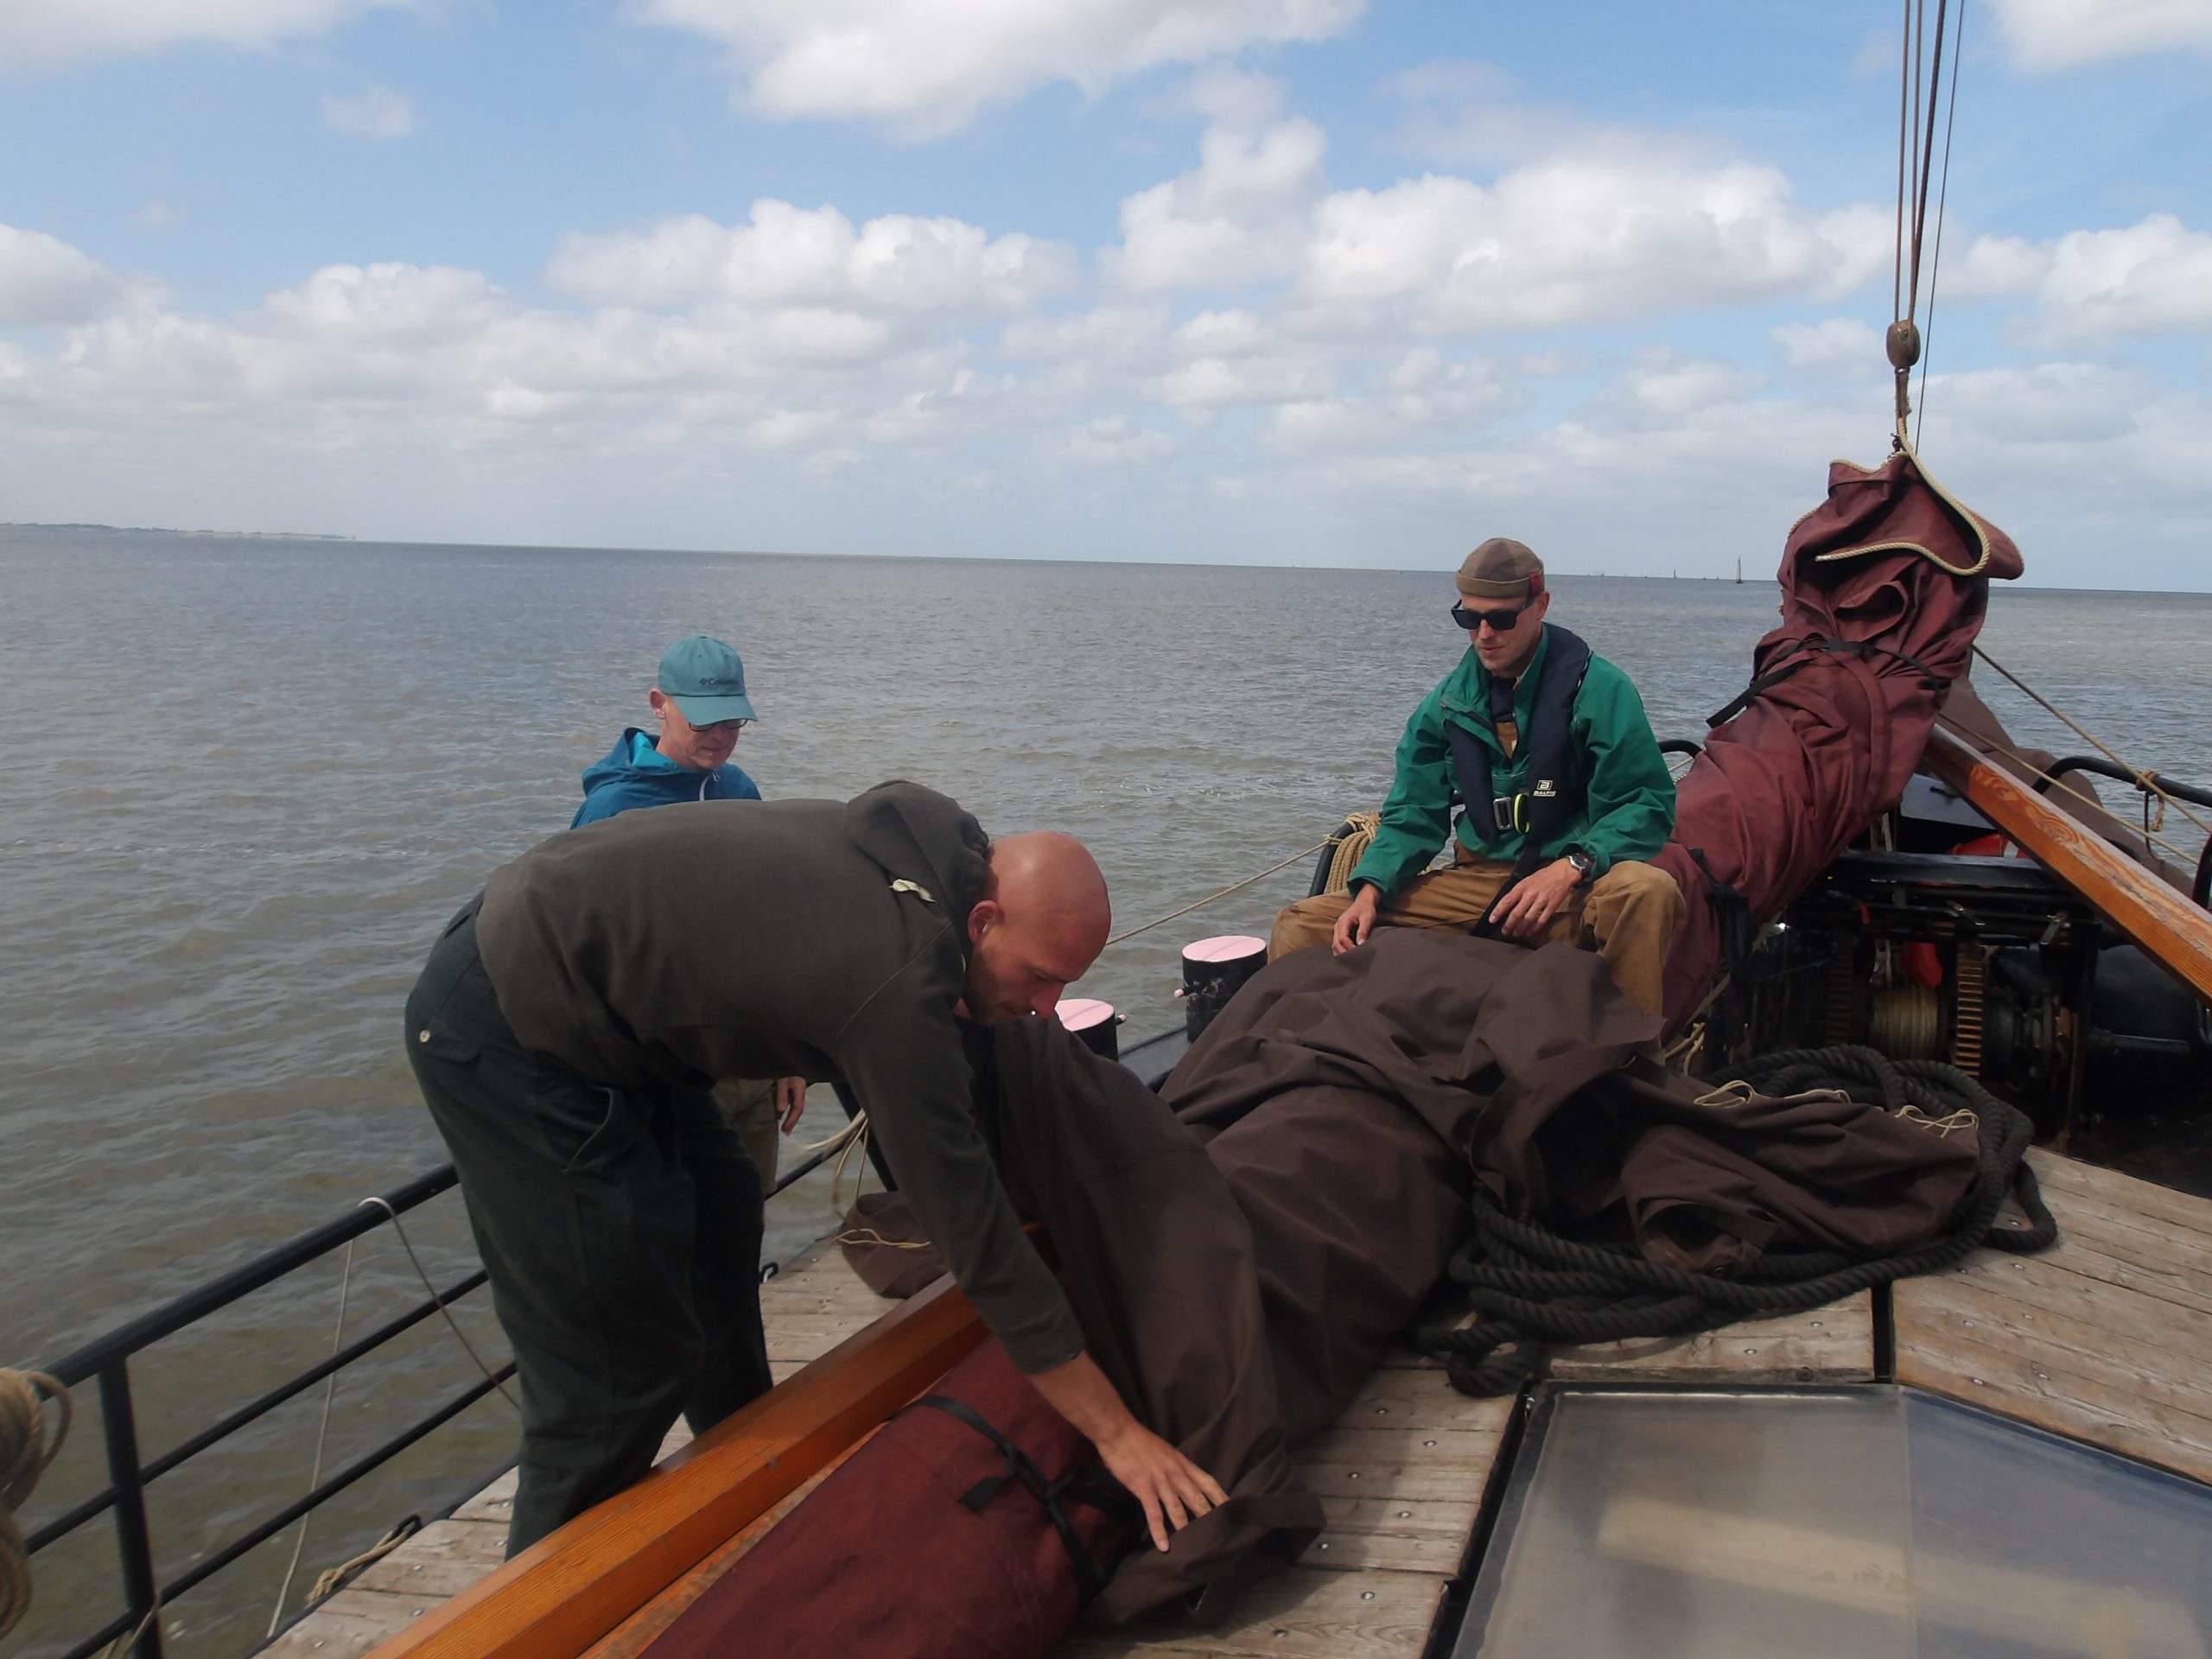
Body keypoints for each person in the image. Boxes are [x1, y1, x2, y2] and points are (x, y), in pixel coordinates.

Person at [404, 782, 1224, 1554]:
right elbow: (966, 1221)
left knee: (723, 1207)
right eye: (1041, 978)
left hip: (618, 1009)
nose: (1047, 1009)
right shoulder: (896, 977)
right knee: (617, 1367)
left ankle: (741, 1472)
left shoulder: (942, 868)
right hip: (508, 1019)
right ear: (982, 922)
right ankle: (546, 1589)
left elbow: (951, 1106)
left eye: (1066, 985)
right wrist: (1118, 1435)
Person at [1269, 537, 1683, 1015]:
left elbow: (1647, 803)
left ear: (1540, 605)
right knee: (1302, 925)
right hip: (1480, 884)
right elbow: (1412, 814)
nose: (1484, 633)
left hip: (1572, 888)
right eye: (1469, 618)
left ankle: (1633, 1053)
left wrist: (1572, 865)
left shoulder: (1603, 691)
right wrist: (1370, 889)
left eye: (1501, 619)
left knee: (1647, 890)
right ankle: (1299, 1050)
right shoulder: (1446, 704)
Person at [572, 634, 800, 1184]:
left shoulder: (738, 790)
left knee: (748, 1209)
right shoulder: (611, 812)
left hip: (749, 1058)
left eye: (732, 721)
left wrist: (786, 1052)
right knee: (679, 1219)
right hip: (667, 1073)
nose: (720, 737)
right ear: (659, 704)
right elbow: (578, 953)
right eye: (704, 720)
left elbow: (764, 928)